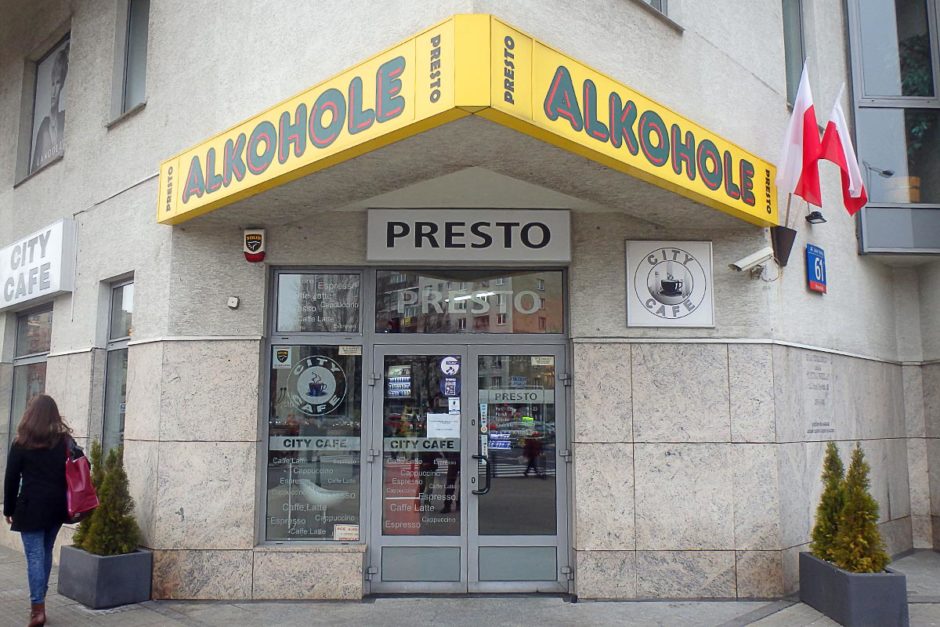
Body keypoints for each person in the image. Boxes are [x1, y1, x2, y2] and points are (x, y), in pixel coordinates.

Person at [3, 395, 72, 627]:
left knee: (34, 556)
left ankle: (37, 610)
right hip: (57, 506)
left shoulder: (21, 442)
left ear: (30, 414)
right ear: (54, 414)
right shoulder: (63, 441)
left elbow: (11, 478)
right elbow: (81, 465)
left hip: (31, 506)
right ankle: (40, 601)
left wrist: (8, 508)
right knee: (45, 552)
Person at [31, 44, 69, 172]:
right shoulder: (43, 127)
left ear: (62, 85)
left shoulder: (66, 119)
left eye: (58, 83)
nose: (54, 90)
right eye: (53, 83)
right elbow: (34, 170)